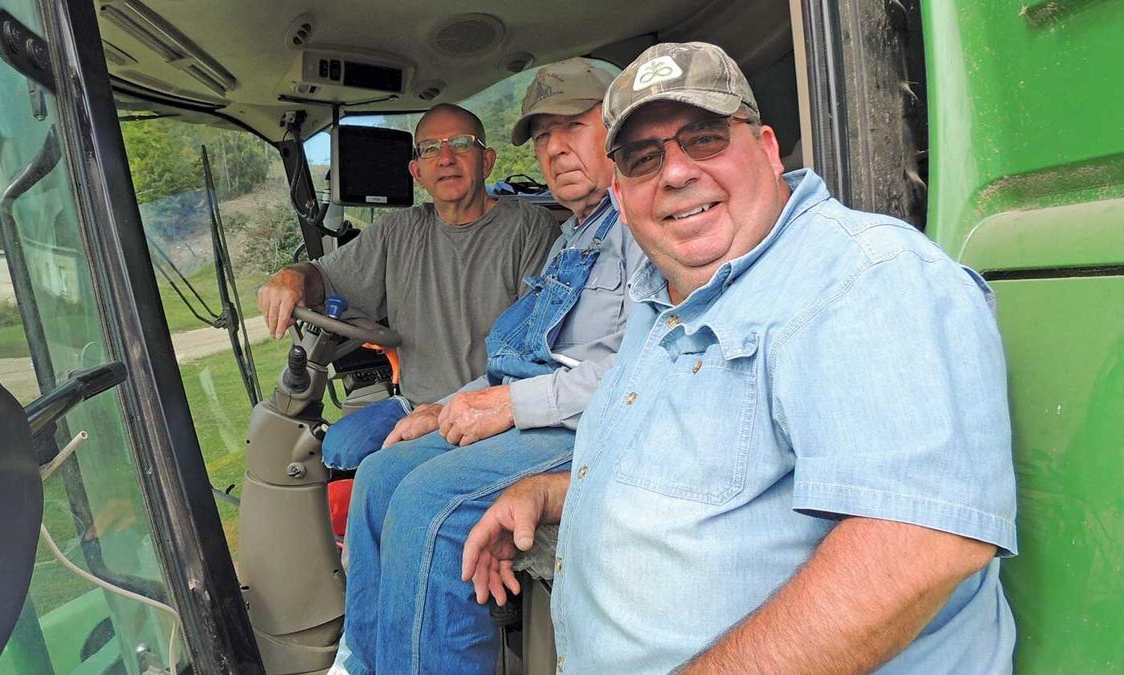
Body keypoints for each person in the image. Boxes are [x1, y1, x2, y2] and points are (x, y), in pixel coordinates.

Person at [464, 42, 1017, 674]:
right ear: (619, 195)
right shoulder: (663, 297)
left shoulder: (865, 279)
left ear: (768, 148)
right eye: (643, 159)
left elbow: (918, 547)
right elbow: (707, 479)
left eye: (703, 139)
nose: (674, 173)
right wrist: (550, 493)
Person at [330, 59, 647, 674]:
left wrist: (505, 406)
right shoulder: (574, 237)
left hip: (592, 424)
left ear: (616, 132)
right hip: (541, 409)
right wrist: (445, 407)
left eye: (573, 128)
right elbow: (518, 354)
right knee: (376, 478)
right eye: (543, 136)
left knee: (428, 501)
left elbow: (634, 378)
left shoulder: (641, 227)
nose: (555, 150)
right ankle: (366, 660)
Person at [257, 104, 560, 470]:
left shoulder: (530, 228)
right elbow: (326, 277)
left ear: (487, 161)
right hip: (414, 402)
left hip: (490, 410)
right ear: (417, 171)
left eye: (461, 144)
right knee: (336, 448)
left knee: (381, 474)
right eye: (430, 148)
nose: (446, 158)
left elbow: (534, 345)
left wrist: (460, 407)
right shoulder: (397, 232)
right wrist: (292, 277)